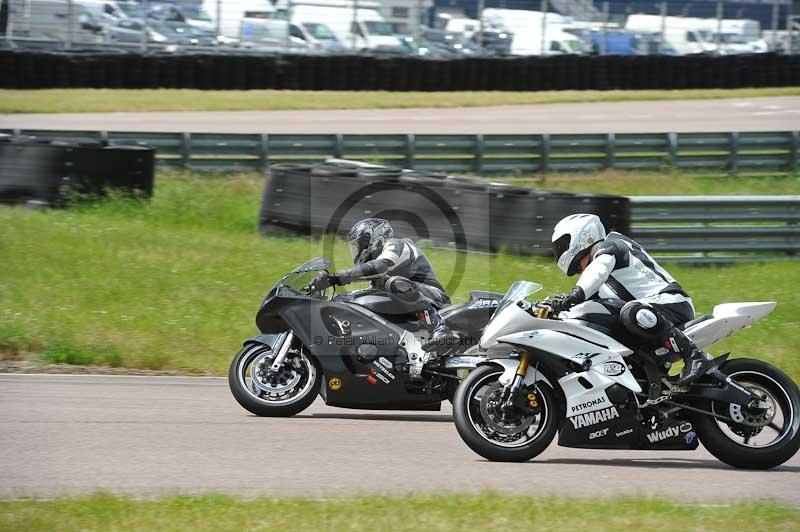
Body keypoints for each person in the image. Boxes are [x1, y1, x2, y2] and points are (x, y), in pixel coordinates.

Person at [548, 213, 713, 386]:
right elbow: (585, 309)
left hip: (671, 303)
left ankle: (695, 356)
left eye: (577, 266)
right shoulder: (596, 275)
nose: (578, 271)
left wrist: (574, 295)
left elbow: (597, 271)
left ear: (582, 237)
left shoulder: (610, 246)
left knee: (630, 312)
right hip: (647, 315)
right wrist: (553, 314)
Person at [311, 218, 457, 349]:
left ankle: (440, 328)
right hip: (408, 304)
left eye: (360, 245)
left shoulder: (397, 244)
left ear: (376, 239)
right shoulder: (378, 279)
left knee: (395, 283)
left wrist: (335, 277)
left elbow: (378, 267)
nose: (357, 251)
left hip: (434, 298)